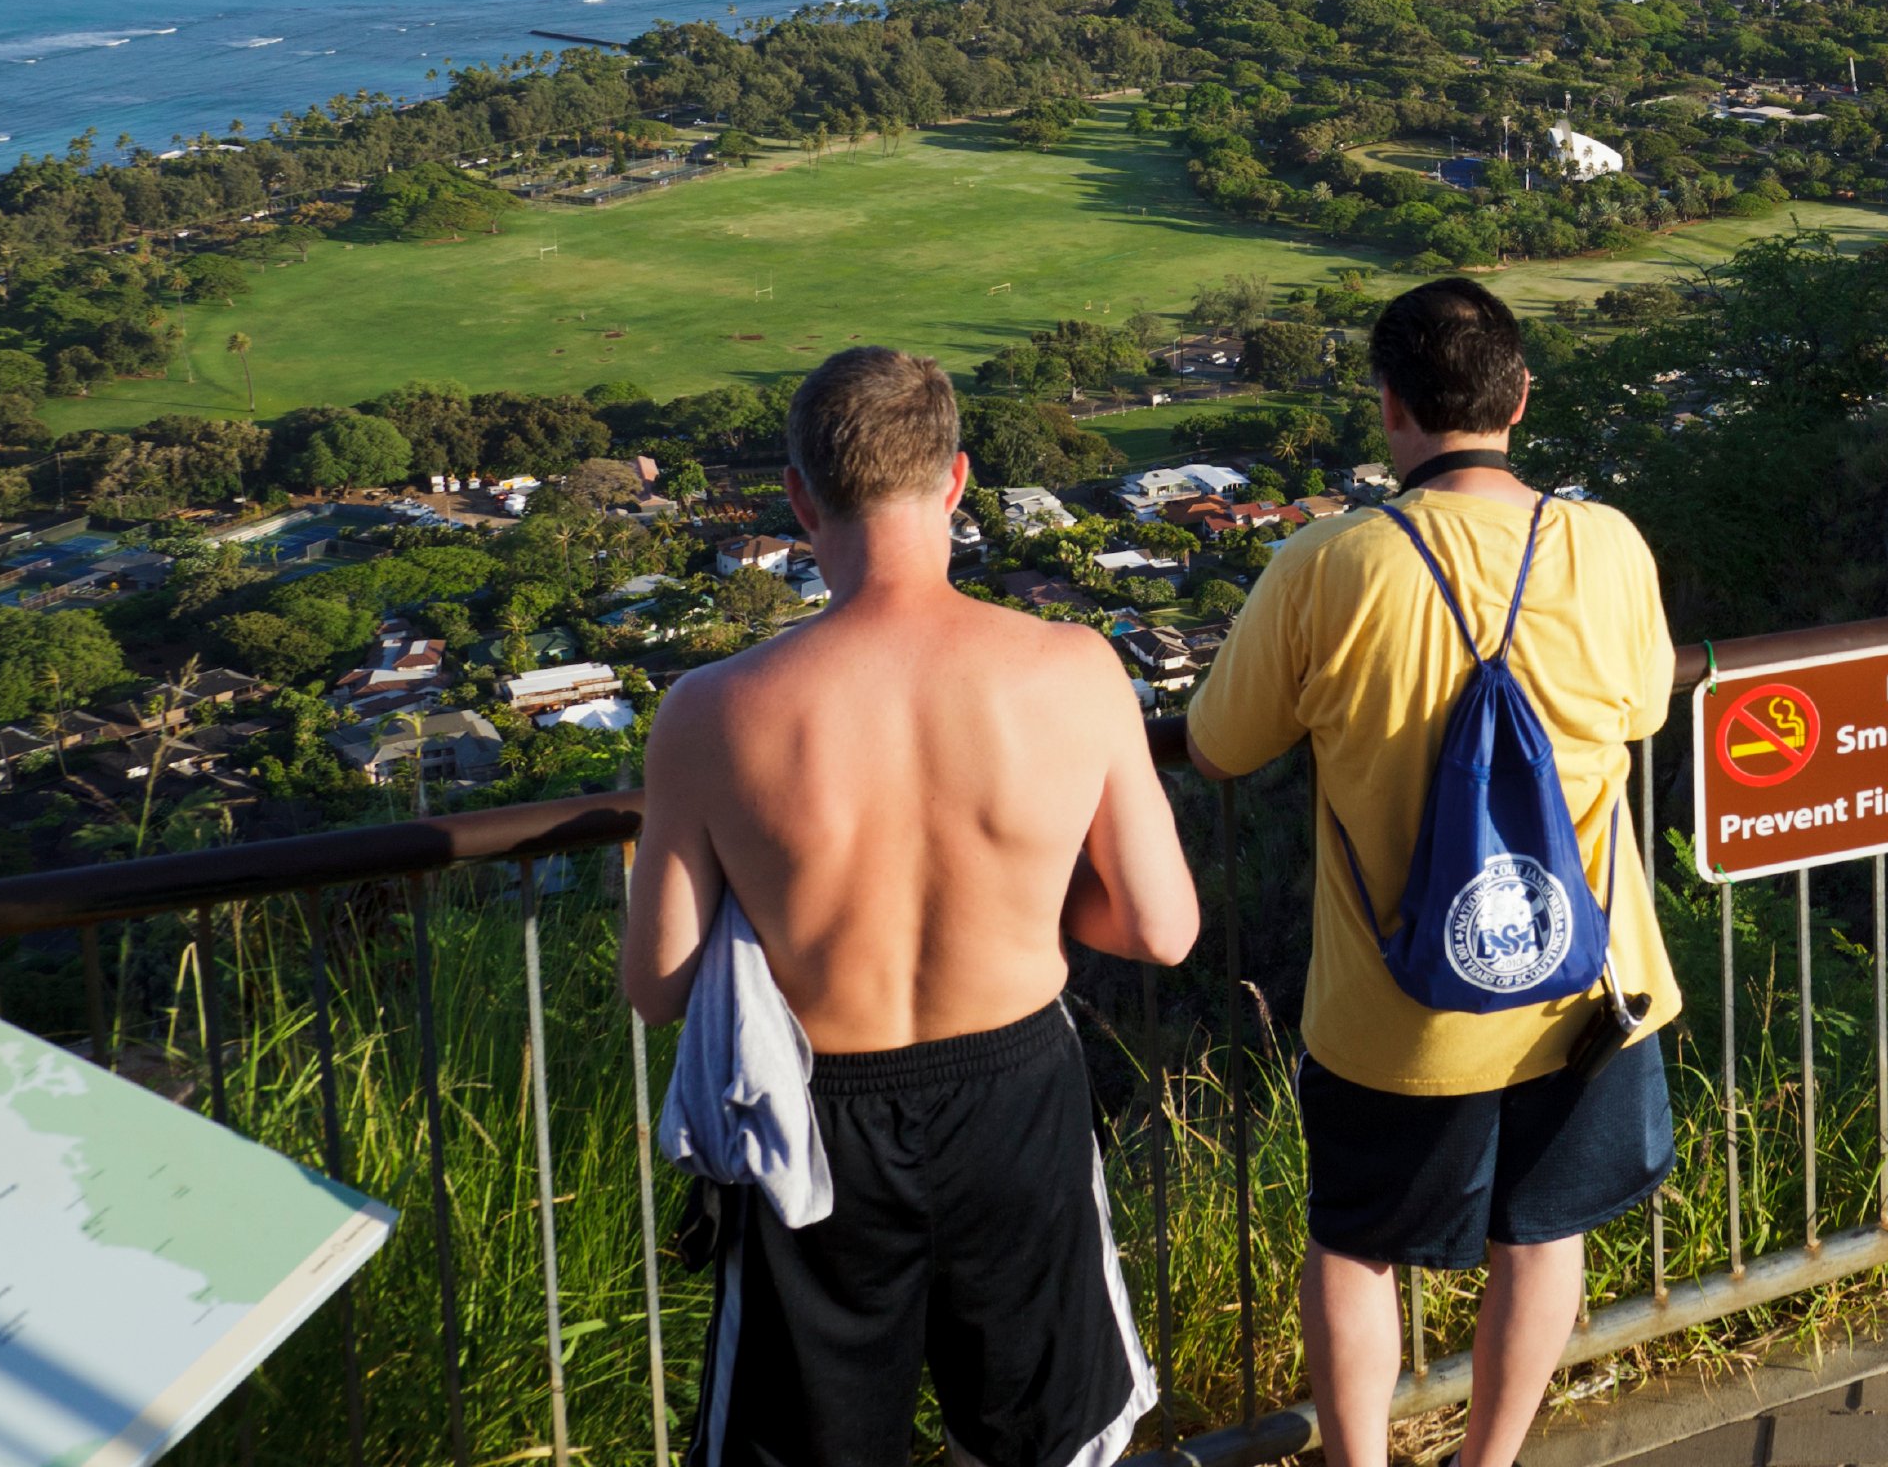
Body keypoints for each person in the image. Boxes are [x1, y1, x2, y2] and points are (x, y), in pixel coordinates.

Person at [620, 346, 1204, 1467]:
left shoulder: (712, 713)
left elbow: (657, 987)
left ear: (800, 496)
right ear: (956, 480)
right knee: (1051, 1437)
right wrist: (1023, 891)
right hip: (1016, 1088)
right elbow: (1161, 926)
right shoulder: (1073, 668)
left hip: (815, 1120)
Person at [1186, 278, 1680, 1467]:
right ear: (1520, 399)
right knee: (1542, 1227)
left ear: (1391, 408)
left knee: (1357, 1243)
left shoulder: (1329, 561)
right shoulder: (1604, 542)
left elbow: (1218, 743)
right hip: (1590, 986)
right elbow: (1648, 706)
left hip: (1397, 1008)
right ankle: (1489, 1459)